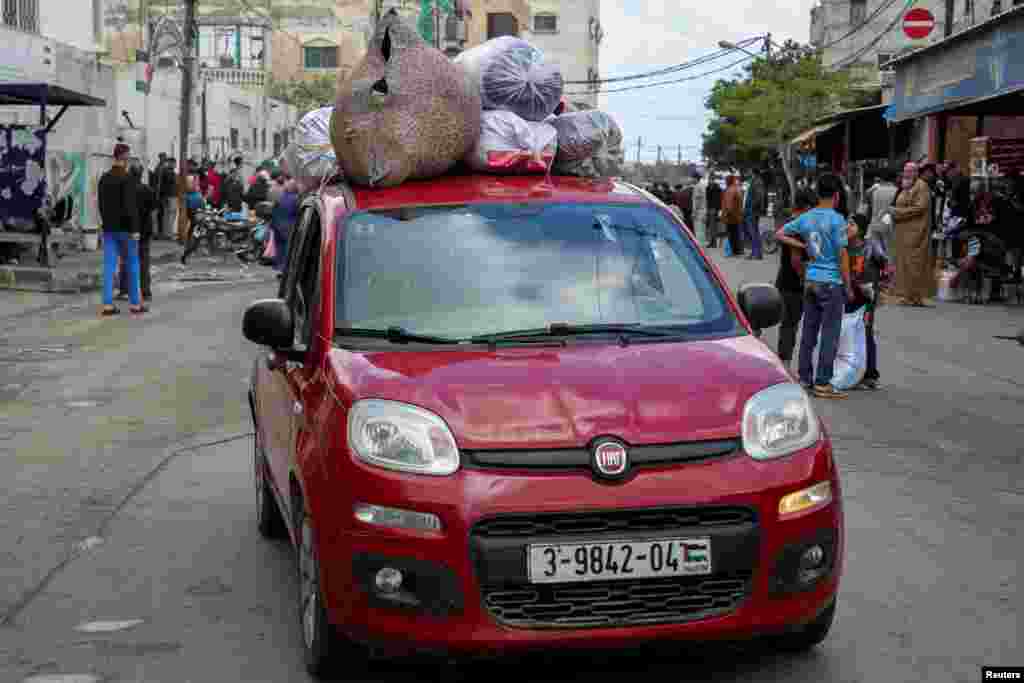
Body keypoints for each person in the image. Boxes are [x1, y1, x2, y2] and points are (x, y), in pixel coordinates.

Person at [775, 172, 854, 399]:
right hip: (831, 283)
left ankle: (804, 378)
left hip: (810, 281)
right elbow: (842, 255)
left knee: (808, 330)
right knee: (829, 333)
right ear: (837, 196)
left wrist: (803, 245)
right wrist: (848, 286)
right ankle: (823, 383)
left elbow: (780, 234)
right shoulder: (837, 220)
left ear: (818, 194)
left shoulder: (806, 218)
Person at [97, 144, 144, 315]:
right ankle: (135, 304)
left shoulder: (104, 178)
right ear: (124, 158)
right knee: (132, 264)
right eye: (128, 158)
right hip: (127, 230)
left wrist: (106, 223)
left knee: (109, 265)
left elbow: (101, 205)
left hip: (109, 229)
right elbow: (130, 206)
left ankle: (107, 304)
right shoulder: (128, 178)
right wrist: (135, 229)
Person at [775, 189, 815, 378]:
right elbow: (796, 260)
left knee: (787, 323)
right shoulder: (799, 226)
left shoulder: (790, 223)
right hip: (794, 284)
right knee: (790, 324)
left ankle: (784, 363)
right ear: (807, 207)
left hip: (784, 281)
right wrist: (804, 279)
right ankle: (786, 365)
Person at [846, 213, 885, 390]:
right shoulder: (843, 248)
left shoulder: (871, 247)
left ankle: (870, 374)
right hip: (848, 295)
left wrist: (879, 289)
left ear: (861, 229)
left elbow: (887, 267)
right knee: (848, 334)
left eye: (852, 224)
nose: (848, 226)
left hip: (867, 298)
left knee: (866, 333)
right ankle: (850, 371)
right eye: (847, 223)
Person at [891, 161, 934, 307]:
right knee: (905, 264)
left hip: (916, 233)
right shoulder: (906, 186)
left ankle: (915, 296)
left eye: (910, 171)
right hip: (904, 232)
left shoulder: (922, 186)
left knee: (914, 264)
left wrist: (897, 212)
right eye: (905, 171)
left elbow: (920, 207)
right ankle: (908, 295)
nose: (907, 173)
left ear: (917, 173)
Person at [118, 164, 156, 302]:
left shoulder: (124, 191)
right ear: (141, 174)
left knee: (126, 261)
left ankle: (124, 290)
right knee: (144, 262)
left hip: (128, 231)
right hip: (144, 231)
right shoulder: (148, 190)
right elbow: (153, 209)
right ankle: (145, 292)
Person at [270, 178, 300, 273]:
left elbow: (273, 210)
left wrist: (273, 225)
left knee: (279, 247)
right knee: (288, 248)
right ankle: (286, 268)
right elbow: (298, 213)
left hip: (277, 225)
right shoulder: (296, 198)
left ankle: (279, 266)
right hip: (289, 226)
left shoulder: (280, 197)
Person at [867, 167, 899, 254]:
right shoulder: (896, 191)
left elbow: (870, 206)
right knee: (890, 254)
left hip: (875, 224)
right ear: (894, 178)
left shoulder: (874, 191)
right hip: (890, 226)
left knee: (877, 254)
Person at [743, 171, 766, 260]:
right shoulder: (754, 181)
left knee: (754, 232)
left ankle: (756, 253)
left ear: (753, 172)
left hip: (752, 211)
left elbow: (759, 196)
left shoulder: (757, 181)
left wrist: (752, 207)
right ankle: (755, 253)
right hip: (751, 211)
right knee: (753, 232)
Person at [721, 175, 744, 257]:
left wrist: (726, 214)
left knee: (731, 234)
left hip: (730, 216)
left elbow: (729, 205)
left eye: (725, 180)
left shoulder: (729, 190)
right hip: (737, 215)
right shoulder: (737, 189)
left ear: (728, 181)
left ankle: (733, 252)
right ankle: (738, 251)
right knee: (736, 233)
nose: (725, 182)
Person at [692, 173, 708, 246]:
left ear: (696, 178)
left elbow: (697, 200)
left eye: (693, 178)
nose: (692, 179)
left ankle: (699, 245)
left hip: (699, 211)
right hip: (703, 209)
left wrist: (694, 212)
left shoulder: (697, 187)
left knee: (698, 228)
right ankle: (702, 243)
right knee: (702, 228)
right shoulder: (703, 186)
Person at [706, 176, 722, 248]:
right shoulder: (709, 188)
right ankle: (712, 241)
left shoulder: (717, 189)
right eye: (709, 180)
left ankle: (713, 242)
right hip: (710, 208)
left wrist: (718, 209)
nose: (710, 181)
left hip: (713, 208)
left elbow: (719, 199)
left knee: (713, 226)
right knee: (711, 226)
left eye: (711, 180)